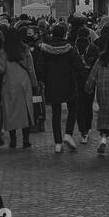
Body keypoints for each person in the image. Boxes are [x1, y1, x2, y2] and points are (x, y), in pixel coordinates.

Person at [38, 23, 81, 153]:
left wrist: (43, 80)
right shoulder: (70, 48)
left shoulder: (45, 49)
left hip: (52, 84)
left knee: (56, 113)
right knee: (72, 108)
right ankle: (68, 134)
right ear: (64, 34)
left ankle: (57, 143)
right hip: (68, 82)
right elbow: (78, 66)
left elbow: (40, 67)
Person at [0, 27, 38, 148]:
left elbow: (2, 68)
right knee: (25, 110)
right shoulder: (25, 48)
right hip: (24, 82)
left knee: (11, 111)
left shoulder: (3, 50)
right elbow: (30, 68)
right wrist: (34, 84)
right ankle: (26, 139)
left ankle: (13, 140)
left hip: (9, 83)